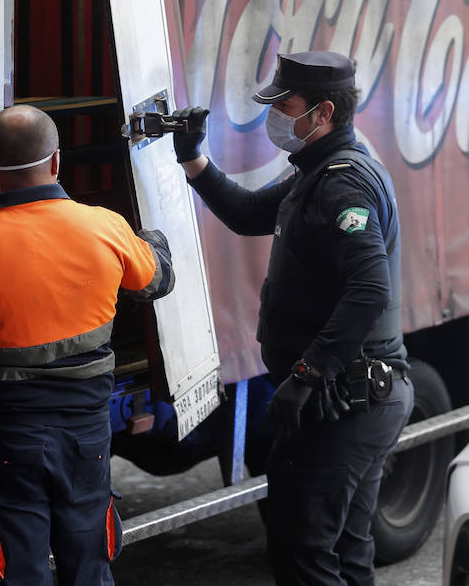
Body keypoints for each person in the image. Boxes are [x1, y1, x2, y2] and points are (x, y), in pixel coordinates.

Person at [0, 104, 175, 586]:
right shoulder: (105, 228)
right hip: (86, 437)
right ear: (57, 161)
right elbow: (159, 279)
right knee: (88, 564)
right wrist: (150, 238)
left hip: (3, 441)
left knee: (13, 568)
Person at [172, 50, 412, 586]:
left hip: (343, 401)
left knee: (303, 555)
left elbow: (370, 290)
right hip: (353, 397)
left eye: (285, 103)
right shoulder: (318, 170)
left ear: (323, 112)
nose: (274, 113)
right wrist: (194, 159)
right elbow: (248, 213)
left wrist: (308, 374)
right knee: (347, 553)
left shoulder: (342, 183)